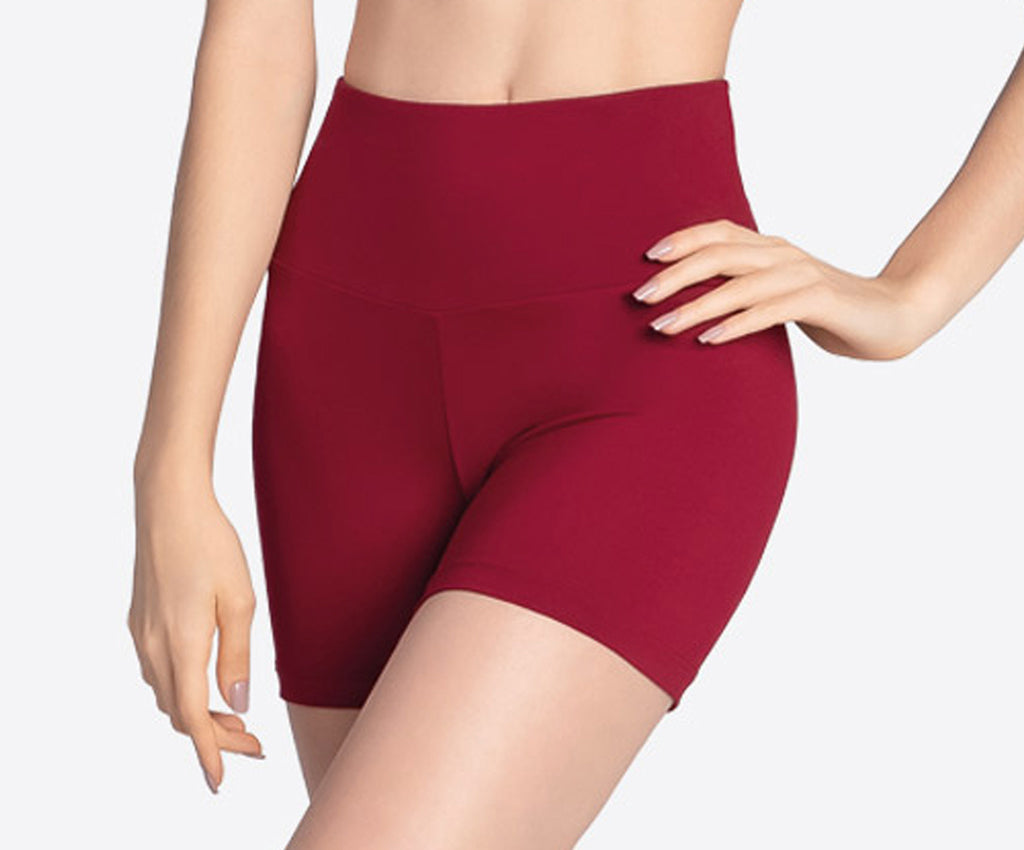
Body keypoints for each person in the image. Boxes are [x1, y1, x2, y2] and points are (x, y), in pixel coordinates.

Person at [128, 0, 1024, 846]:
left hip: (643, 338)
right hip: (343, 354)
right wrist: (171, 468)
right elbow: (258, 37)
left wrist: (917, 294)